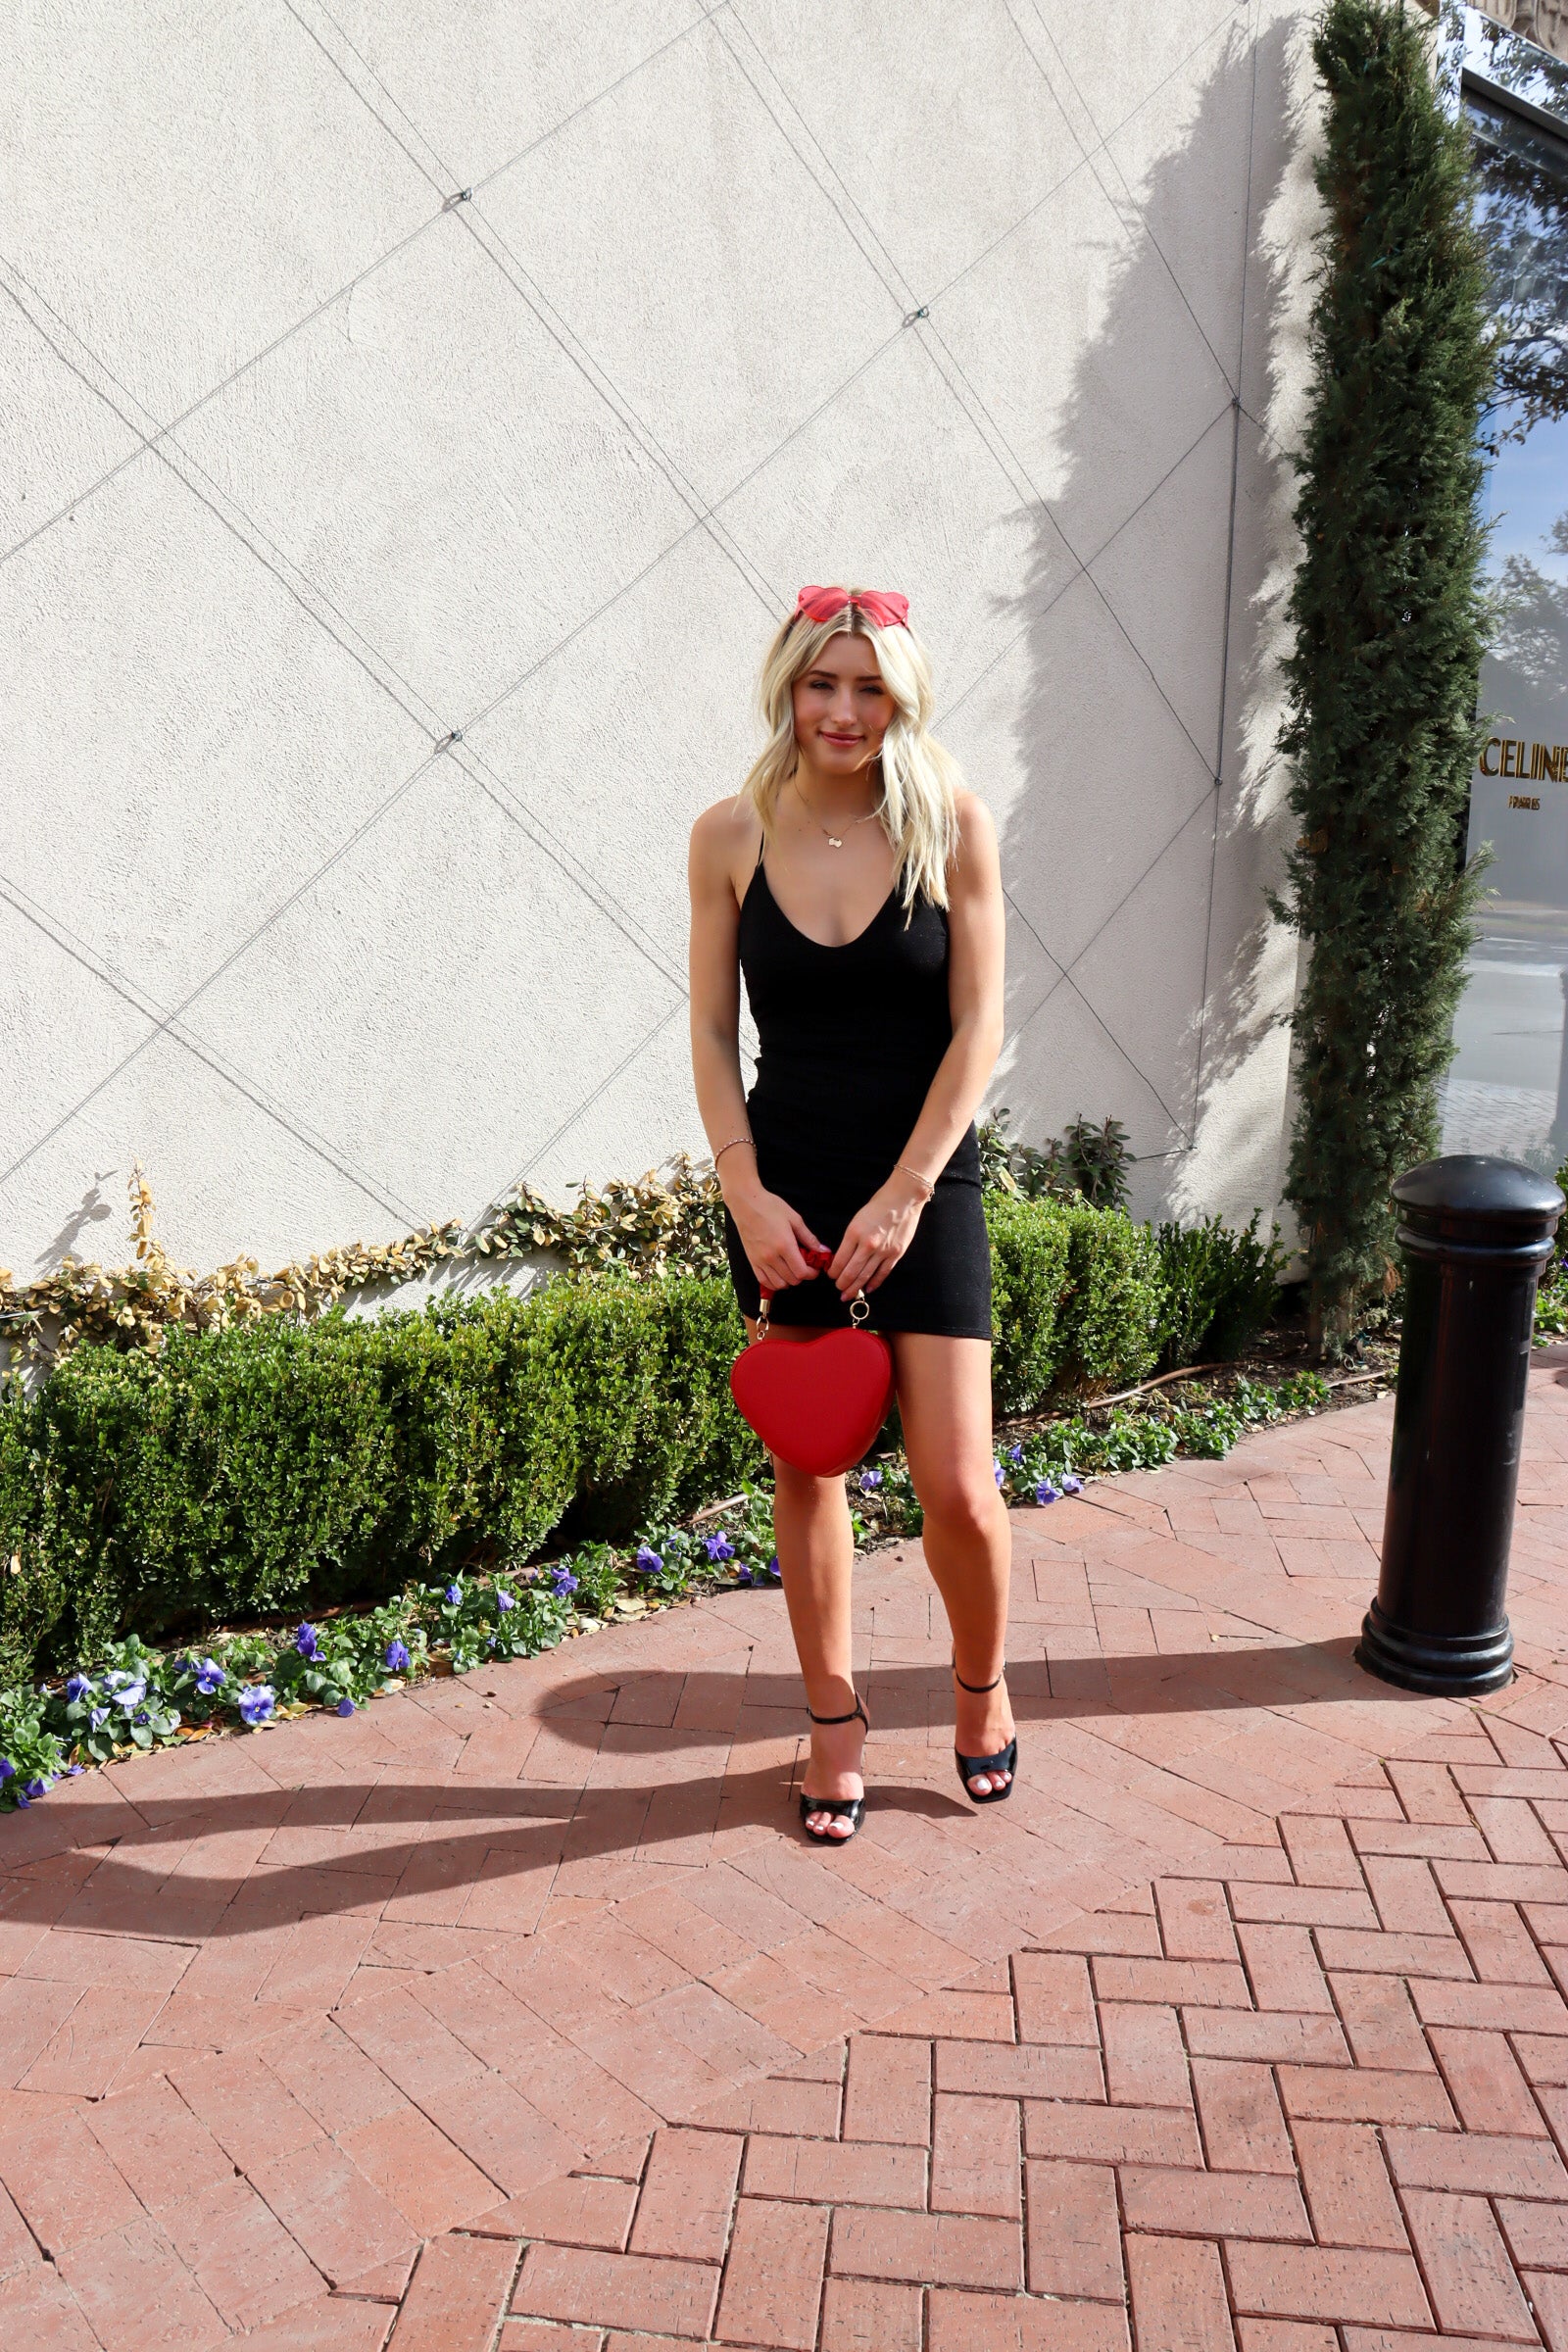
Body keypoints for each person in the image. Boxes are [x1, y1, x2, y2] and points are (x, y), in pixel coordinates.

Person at [687, 582, 1014, 1846]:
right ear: (788, 686)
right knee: (811, 1464)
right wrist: (745, 1193)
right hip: (789, 1190)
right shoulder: (729, 834)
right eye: (822, 682)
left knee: (959, 1488)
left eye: (870, 687)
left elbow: (978, 1025)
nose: (843, 709)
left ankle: (980, 1690)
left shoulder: (951, 820)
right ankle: (833, 1720)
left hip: (925, 1178)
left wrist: (910, 1190)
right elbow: (711, 1032)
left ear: (901, 697)